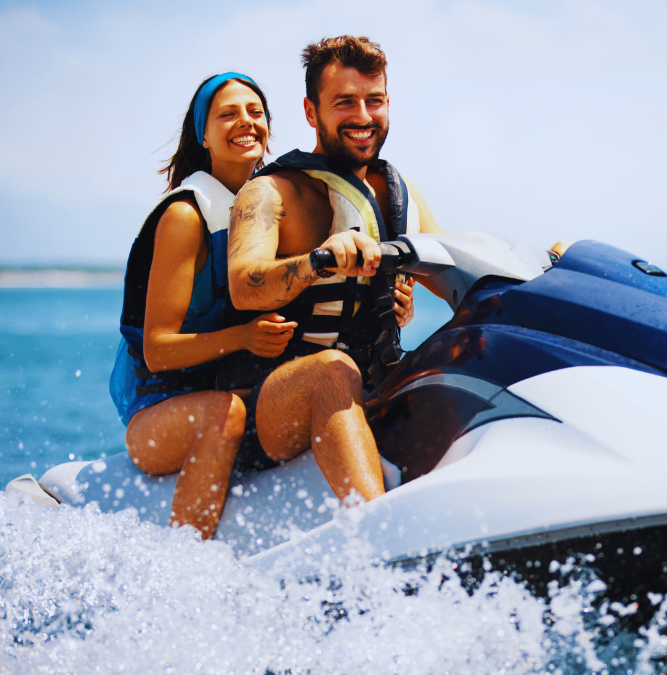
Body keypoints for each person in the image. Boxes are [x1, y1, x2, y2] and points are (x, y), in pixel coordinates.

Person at [223, 36, 442, 507]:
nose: (363, 116)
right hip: (276, 404)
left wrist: (545, 269)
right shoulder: (270, 192)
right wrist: (318, 260)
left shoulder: (400, 190)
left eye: (375, 100)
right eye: (345, 102)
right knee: (332, 371)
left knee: (456, 357)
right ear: (310, 110)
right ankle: (378, 537)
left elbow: (454, 274)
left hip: (376, 384)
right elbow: (244, 285)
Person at [109, 72, 295, 538]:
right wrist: (244, 338)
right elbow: (157, 350)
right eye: (227, 114)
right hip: (159, 408)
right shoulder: (186, 216)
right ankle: (185, 565)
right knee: (224, 412)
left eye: (255, 112)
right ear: (204, 135)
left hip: (236, 387)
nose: (245, 122)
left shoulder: (269, 209)